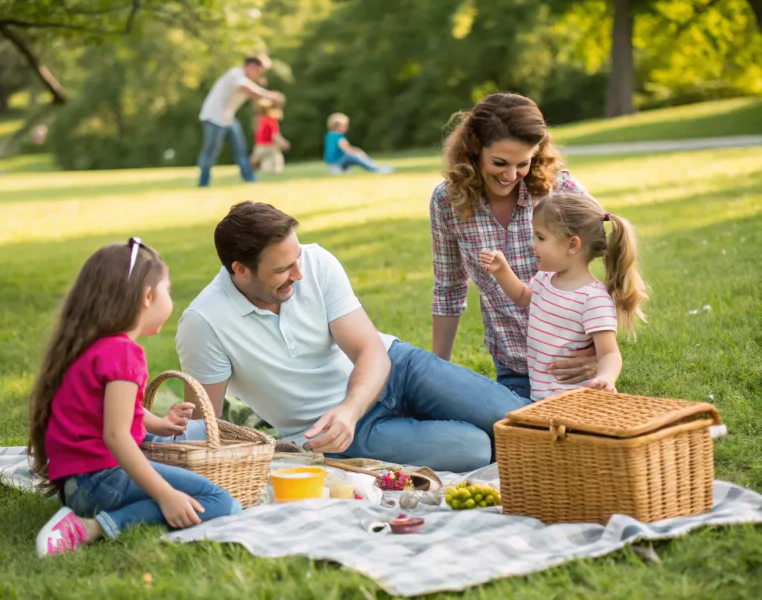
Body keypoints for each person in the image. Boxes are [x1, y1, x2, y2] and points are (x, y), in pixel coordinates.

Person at [175, 202, 531, 473]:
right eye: (283, 269)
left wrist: (350, 408)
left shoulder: (317, 263)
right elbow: (203, 426)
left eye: (297, 259)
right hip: (335, 430)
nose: (299, 274)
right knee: (475, 449)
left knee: (516, 418)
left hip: (396, 369)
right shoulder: (204, 323)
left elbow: (369, 350)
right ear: (239, 269)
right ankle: (423, 429)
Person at [29, 238, 240, 558]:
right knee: (221, 502)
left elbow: (115, 411)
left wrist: (160, 422)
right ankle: (90, 528)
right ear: (147, 297)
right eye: (167, 289)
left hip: (76, 485)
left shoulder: (91, 346)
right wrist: (165, 494)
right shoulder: (124, 353)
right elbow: (115, 436)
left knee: (189, 439)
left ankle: (92, 513)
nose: (169, 297)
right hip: (102, 483)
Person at [431, 92, 597, 400]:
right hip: (513, 367)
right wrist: (435, 371)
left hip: (571, 365)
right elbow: (448, 289)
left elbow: (614, 264)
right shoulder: (447, 201)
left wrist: (597, 351)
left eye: (523, 163)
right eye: (499, 163)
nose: (511, 176)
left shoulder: (561, 191)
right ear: (473, 150)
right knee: (513, 441)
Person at [479, 193, 648, 400]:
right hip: (540, 397)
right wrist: (501, 270)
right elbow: (522, 296)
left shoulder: (592, 299)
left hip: (577, 402)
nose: (533, 244)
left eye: (540, 237)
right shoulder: (544, 279)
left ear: (572, 245)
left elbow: (609, 353)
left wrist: (606, 377)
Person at [197, 55, 285, 186]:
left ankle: (249, 179)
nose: (260, 74)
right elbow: (248, 89)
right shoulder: (235, 74)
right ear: (252, 66)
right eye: (260, 70)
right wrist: (271, 95)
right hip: (213, 117)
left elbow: (254, 95)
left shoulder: (245, 79)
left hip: (228, 118)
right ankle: (203, 183)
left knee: (240, 149)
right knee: (210, 151)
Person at [323, 113, 394, 175]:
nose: (347, 127)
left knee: (353, 154)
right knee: (353, 155)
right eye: (345, 125)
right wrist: (359, 153)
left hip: (331, 165)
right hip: (338, 164)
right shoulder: (339, 137)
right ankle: (375, 168)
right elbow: (346, 149)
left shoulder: (329, 135)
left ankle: (345, 170)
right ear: (338, 126)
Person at [250, 99, 290, 174]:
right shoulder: (270, 120)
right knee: (273, 168)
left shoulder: (259, 120)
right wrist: (283, 143)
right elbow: (274, 135)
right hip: (269, 148)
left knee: (259, 166)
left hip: (258, 147)